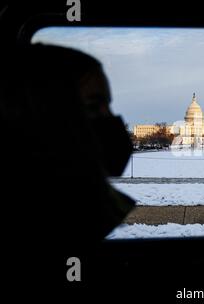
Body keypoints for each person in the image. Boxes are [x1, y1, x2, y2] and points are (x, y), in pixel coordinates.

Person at [0, 44, 135, 283]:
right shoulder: (58, 216)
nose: (111, 122)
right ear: (42, 112)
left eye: (108, 106)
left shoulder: (70, 205)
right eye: (93, 107)